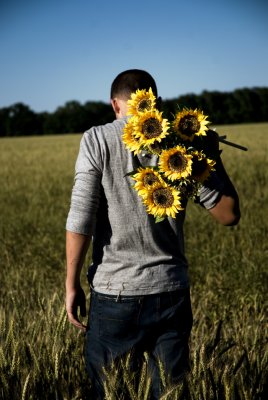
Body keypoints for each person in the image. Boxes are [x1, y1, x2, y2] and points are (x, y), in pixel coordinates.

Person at [65, 69, 240, 399]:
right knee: (171, 392)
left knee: (112, 392)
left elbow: (81, 216)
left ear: (115, 105)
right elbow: (228, 214)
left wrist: (71, 283)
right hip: (171, 292)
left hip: (114, 292)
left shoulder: (96, 138)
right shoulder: (180, 146)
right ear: (155, 102)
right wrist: (212, 154)